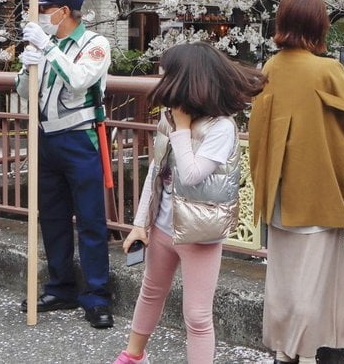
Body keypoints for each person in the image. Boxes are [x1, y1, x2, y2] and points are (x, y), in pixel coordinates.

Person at [113, 43, 265, 364]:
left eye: (166, 72)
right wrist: (140, 224)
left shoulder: (221, 128)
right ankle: (133, 356)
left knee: (197, 316)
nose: (160, 77)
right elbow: (157, 172)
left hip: (199, 232)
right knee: (150, 291)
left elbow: (193, 174)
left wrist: (182, 129)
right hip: (163, 226)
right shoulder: (169, 121)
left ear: (186, 79)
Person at [247, 0, 344, 364]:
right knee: (313, 279)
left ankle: (284, 349)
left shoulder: (271, 67)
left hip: (278, 188)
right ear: (320, 26)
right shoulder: (327, 70)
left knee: (284, 277)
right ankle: (304, 352)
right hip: (317, 189)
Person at [16, 0, 114, 328]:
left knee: (91, 221)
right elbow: (26, 93)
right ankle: (61, 287)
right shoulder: (45, 44)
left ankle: (98, 296)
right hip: (46, 140)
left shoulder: (95, 44)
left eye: (46, 9)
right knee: (52, 218)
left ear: (65, 12)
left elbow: (78, 80)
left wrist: (47, 49)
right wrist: (27, 64)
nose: (42, 15)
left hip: (81, 139)